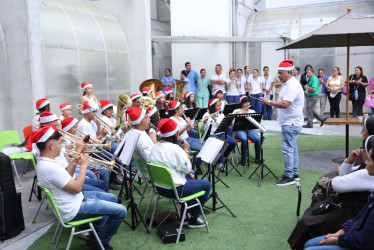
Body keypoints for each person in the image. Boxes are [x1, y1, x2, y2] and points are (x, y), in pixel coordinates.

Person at [31, 125, 126, 249]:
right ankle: (100, 243)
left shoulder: (46, 162)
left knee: (112, 198)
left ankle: (95, 235)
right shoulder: (50, 167)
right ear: (51, 145)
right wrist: (84, 165)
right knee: (121, 211)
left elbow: (67, 176)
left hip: (74, 199)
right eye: (60, 143)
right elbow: (76, 188)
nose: (62, 146)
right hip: (74, 208)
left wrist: (75, 161)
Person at [303, 135, 374, 250]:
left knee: (309, 243)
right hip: (353, 228)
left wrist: (338, 239)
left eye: (369, 159)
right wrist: (343, 230)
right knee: (309, 243)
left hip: (358, 238)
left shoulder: (366, 174)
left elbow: (365, 241)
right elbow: (361, 217)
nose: (365, 162)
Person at [150, 119, 211, 228]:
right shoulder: (176, 149)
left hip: (160, 188)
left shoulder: (154, 147)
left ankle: (186, 215)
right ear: (176, 134)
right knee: (206, 185)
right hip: (176, 190)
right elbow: (188, 169)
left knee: (192, 180)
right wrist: (186, 150)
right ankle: (193, 218)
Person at [260, 60, 304, 186]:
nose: (279, 75)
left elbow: (285, 104)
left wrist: (268, 102)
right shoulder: (288, 83)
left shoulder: (292, 85)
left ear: (289, 72)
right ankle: (294, 173)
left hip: (291, 122)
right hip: (291, 121)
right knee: (292, 146)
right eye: (278, 73)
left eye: (281, 73)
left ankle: (289, 176)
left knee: (288, 148)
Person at [200, 98, 237, 170]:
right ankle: (220, 163)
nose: (219, 107)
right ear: (213, 106)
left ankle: (223, 156)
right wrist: (204, 122)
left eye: (220, 105)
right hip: (211, 135)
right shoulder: (206, 114)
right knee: (218, 143)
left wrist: (215, 119)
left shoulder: (221, 114)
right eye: (218, 106)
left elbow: (222, 125)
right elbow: (202, 129)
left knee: (233, 143)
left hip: (220, 133)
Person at [168, 100, 204, 172]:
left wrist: (189, 124)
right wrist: (186, 125)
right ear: (176, 110)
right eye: (181, 108)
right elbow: (176, 134)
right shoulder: (171, 120)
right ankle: (194, 165)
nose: (182, 109)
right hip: (183, 141)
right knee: (202, 149)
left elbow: (189, 130)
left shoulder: (181, 118)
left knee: (205, 144)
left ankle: (195, 164)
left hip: (188, 138)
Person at [233, 96, 261, 166]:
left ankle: (257, 158)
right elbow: (232, 124)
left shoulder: (252, 111)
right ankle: (243, 158)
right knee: (244, 139)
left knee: (258, 139)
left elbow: (256, 123)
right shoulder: (236, 111)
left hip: (249, 129)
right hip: (239, 130)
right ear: (241, 104)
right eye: (245, 103)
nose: (247, 104)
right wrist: (236, 116)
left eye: (248, 102)